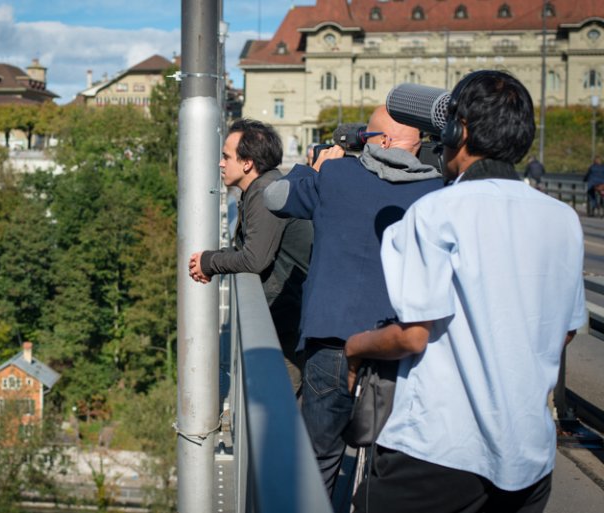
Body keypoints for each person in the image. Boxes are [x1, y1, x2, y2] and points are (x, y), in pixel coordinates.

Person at [345, 70, 586, 513]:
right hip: (530, 458)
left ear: (460, 131)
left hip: (439, 450)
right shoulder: (562, 219)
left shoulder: (435, 213)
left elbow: (412, 335)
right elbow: (565, 332)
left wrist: (355, 347)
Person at [263, 106, 442, 497]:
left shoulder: (336, 174)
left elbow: (275, 198)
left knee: (319, 458)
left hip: (332, 340)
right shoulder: (437, 193)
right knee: (389, 463)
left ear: (385, 141)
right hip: (400, 345)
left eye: (367, 137)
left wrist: (314, 167)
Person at [188, 119, 313, 395]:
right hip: (289, 318)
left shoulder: (267, 193)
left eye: (226, 157)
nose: (220, 164)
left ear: (247, 163)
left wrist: (209, 262)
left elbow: (255, 259)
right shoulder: (262, 188)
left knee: (282, 400)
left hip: (291, 322)